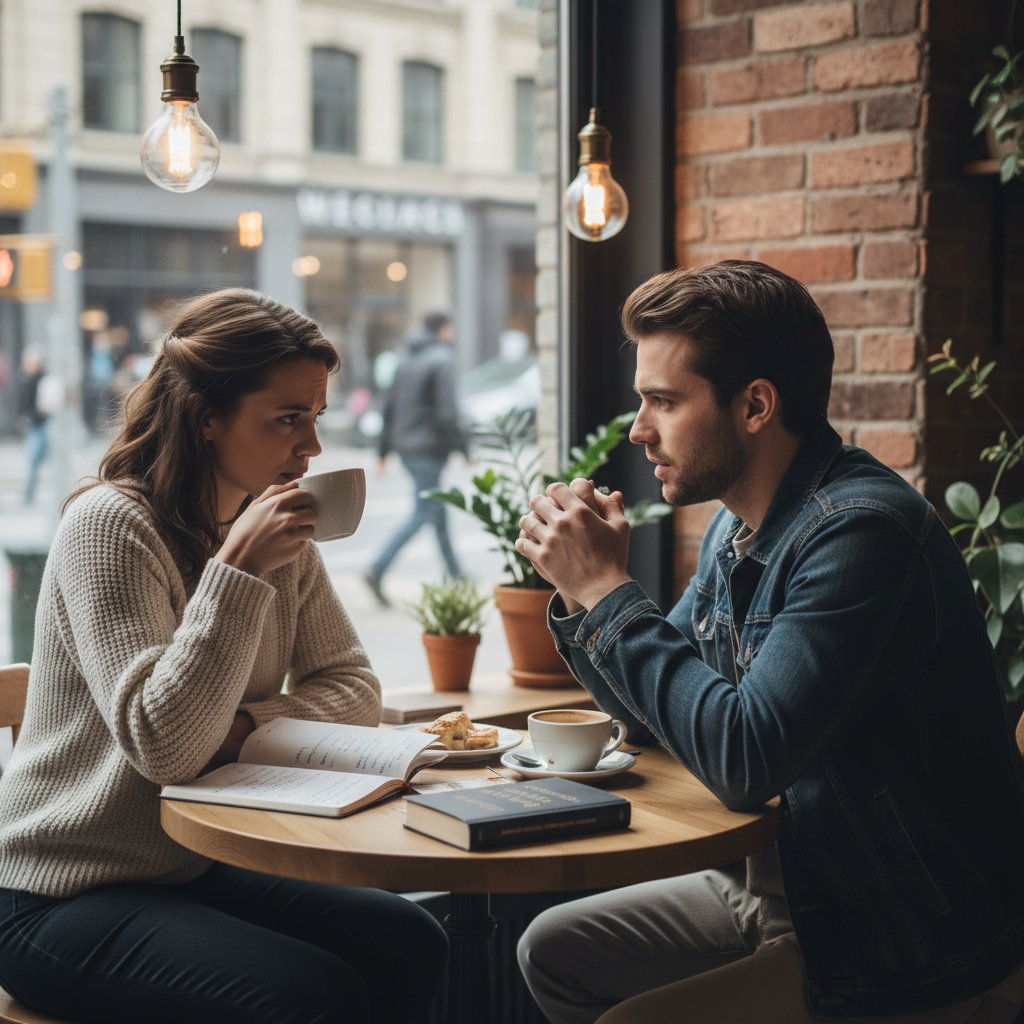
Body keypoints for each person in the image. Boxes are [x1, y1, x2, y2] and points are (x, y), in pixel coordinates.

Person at [513, 261, 1024, 1024]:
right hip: (796, 881)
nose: (638, 429)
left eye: (662, 401)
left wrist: (606, 593)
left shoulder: (862, 533)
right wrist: (579, 589)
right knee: (551, 949)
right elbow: (656, 716)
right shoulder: (739, 524)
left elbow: (745, 759)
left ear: (755, 404)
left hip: (902, 931)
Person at [0, 289, 447, 1023]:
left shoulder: (270, 523)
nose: (313, 448)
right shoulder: (111, 527)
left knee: (410, 939)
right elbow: (168, 747)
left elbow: (354, 686)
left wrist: (241, 729)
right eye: (288, 419)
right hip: (56, 893)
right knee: (309, 994)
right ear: (206, 416)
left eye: (316, 417)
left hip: (192, 866)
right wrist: (235, 573)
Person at [363, 311, 468, 607]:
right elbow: (449, 411)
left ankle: (457, 576)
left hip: (407, 448)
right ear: (444, 329)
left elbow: (389, 407)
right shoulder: (442, 358)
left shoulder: (404, 357)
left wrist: (383, 451)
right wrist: (465, 448)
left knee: (436, 510)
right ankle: (376, 569)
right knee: (425, 511)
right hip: (429, 449)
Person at [15, 349, 49, 504]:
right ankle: (30, 490)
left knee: (39, 456)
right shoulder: (24, 379)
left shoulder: (42, 379)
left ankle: (31, 489)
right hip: (33, 424)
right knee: (34, 458)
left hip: (42, 422)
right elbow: (22, 403)